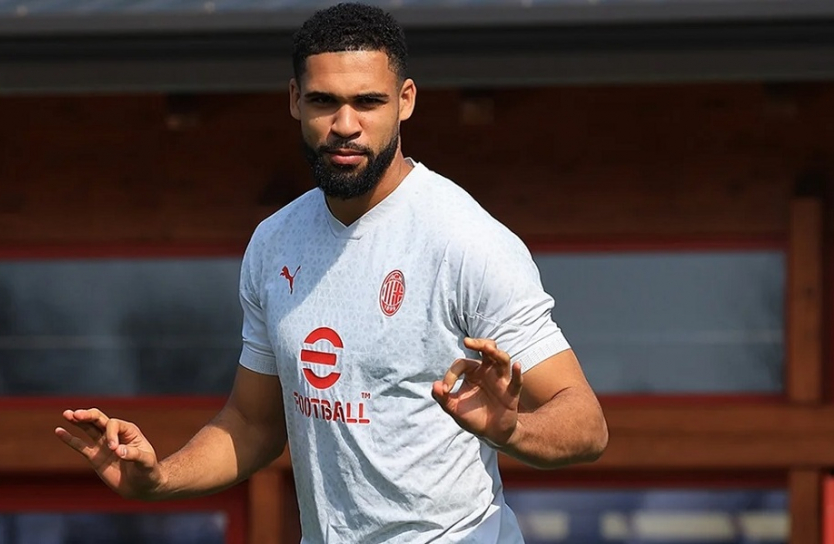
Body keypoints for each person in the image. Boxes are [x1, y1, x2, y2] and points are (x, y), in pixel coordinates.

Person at [55, 3, 608, 542]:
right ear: (296, 100)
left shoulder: (466, 242)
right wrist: (160, 478)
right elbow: (253, 423)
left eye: (368, 101)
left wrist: (512, 430)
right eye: (324, 101)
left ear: (405, 101)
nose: (346, 125)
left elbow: (586, 424)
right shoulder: (275, 242)